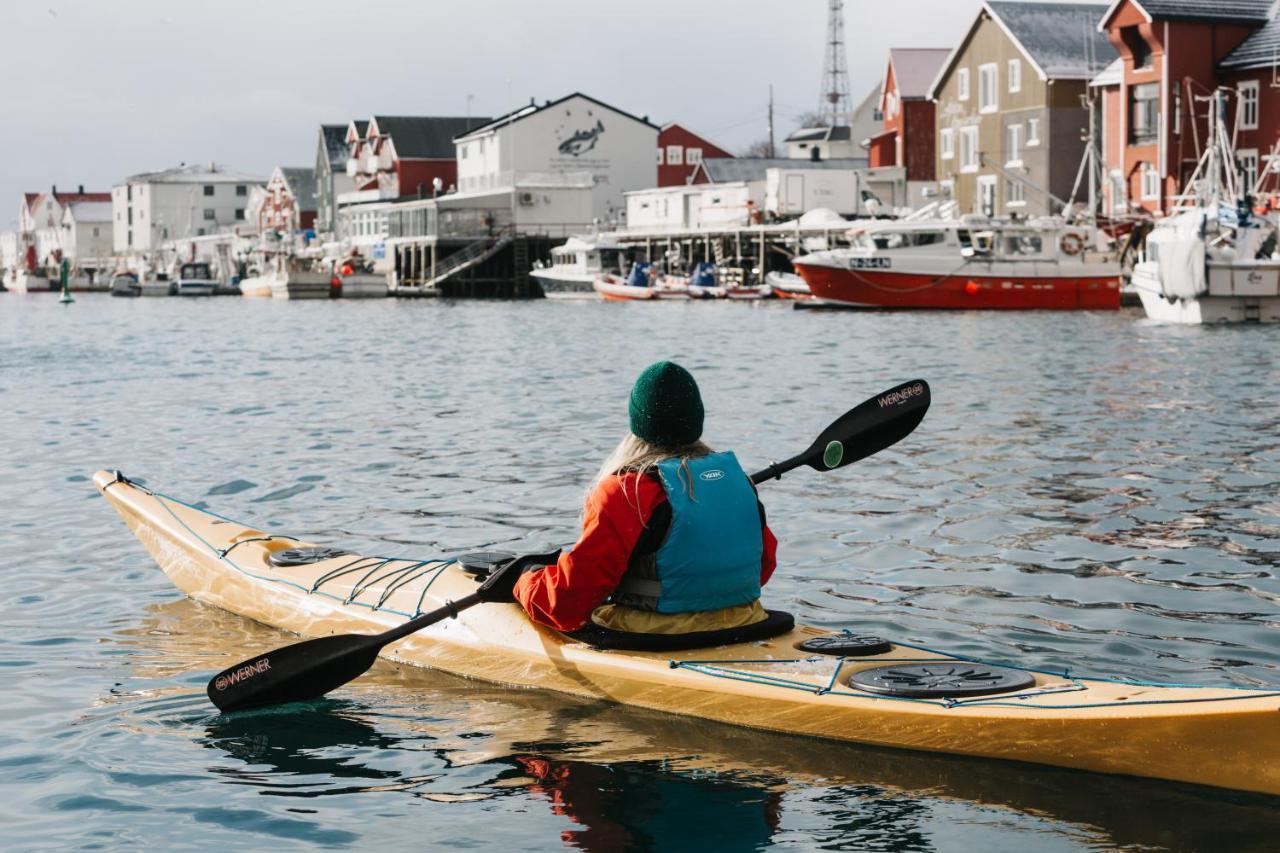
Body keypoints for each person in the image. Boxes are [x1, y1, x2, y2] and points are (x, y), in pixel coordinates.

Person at [482, 361, 777, 634]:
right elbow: (762, 568)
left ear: (638, 422)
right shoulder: (738, 481)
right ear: (696, 418)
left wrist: (524, 580)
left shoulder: (627, 491)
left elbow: (568, 603)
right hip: (745, 621)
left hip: (657, 634)